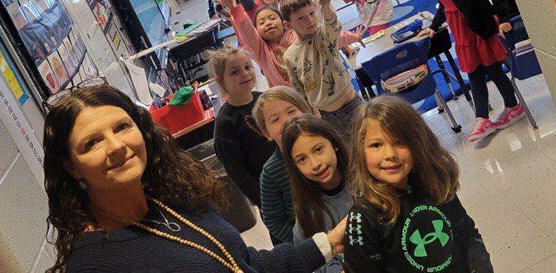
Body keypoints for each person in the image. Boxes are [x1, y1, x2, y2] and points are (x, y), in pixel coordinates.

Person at [41, 81, 347, 272]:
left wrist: (330, 242)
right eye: (91, 143)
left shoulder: (176, 201)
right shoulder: (95, 263)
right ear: (71, 166)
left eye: (122, 127)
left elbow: (244, 263)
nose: (116, 146)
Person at [344, 96, 492, 272]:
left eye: (399, 142)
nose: (390, 154)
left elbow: (468, 236)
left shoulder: (434, 180)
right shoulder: (362, 218)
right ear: (360, 151)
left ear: (418, 142)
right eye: (376, 145)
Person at [415, 0, 527, 142]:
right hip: (462, 36)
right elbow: (444, 6)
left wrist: (503, 19)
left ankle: (504, 110)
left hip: (479, 32)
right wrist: (432, 27)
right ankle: (489, 116)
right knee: (475, 74)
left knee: (491, 70)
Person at [279, 0, 362, 141]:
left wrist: (325, 6)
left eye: (311, 13)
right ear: (288, 24)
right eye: (301, 18)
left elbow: (334, 26)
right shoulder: (290, 56)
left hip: (352, 104)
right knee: (348, 155)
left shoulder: (324, 35)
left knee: (369, 140)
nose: (309, 20)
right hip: (326, 116)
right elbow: (299, 90)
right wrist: (310, 116)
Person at [283, 115, 353, 273]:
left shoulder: (365, 180)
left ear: (333, 143)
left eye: (318, 149)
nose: (315, 164)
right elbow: (316, 263)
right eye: (302, 159)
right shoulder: (306, 215)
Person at [208, 46, 275, 210]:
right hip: (270, 196)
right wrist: (267, 204)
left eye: (247, 67)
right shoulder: (226, 125)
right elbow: (239, 175)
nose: (244, 73)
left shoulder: (265, 100)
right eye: (234, 72)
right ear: (220, 81)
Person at [253, 86, 317, 244]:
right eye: (275, 120)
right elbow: (274, 220)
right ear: (266, 133)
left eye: (291, 111)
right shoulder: (270, 173)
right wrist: (302, 242)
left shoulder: (328, 143)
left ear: (306, 110)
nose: (287, 121)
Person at [215, 0, 297, 88]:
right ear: (257, 31)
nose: (268, 23)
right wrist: (234, 8)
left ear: (283, 21)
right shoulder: (262, 51)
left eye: (272, 18)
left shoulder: (297, 35)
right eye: (262, 22)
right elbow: (246, 29)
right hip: (289, 98)